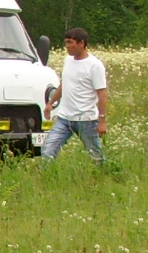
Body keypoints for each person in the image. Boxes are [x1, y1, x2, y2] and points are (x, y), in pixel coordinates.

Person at [43, 28, 107, 163]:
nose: (67, 46)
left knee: (95, 155)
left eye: (70, 42)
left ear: (81, 43)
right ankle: (46, 177)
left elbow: (102, 93)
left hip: (86, 119)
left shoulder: (95, 65)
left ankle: (104, 175)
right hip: (64, 118)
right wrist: (51, 103)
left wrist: (102, 121)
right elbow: (64, 84)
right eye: (66, 42)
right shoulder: (68, 60)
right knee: (48, 149)